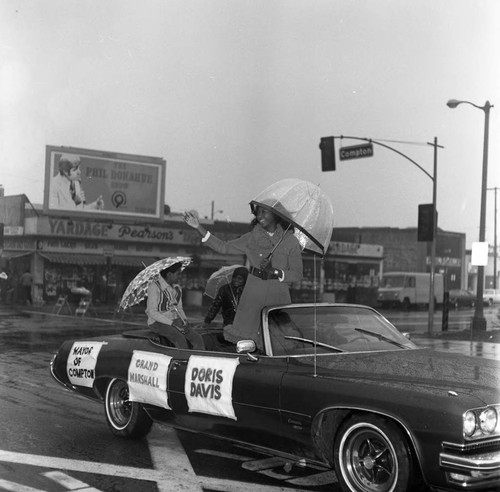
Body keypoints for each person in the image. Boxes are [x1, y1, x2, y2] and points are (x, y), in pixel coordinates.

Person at [184, 204, 303, 349]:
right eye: (258, 212)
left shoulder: (290, 242)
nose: (259, 215)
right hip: (253, 292)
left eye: (264, 212)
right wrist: (198, 227)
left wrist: (275, 271)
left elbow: (297, 274)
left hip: (278, 295)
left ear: (276, 215)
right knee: (248, 342)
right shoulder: (251, 238)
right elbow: (223, 247)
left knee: (279, 341)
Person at [146, 262, 205, 350]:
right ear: (169, 274)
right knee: (180, 339)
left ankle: (197, 361)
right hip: (157, 322)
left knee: (197, 338)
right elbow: (152, 312)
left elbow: (179, 308)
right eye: (178, 274)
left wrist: (184, 320)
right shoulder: (154, 287)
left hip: (175, 320)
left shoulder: (177, 288)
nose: (179, 276)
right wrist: (172, 323)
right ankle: (182, 361)